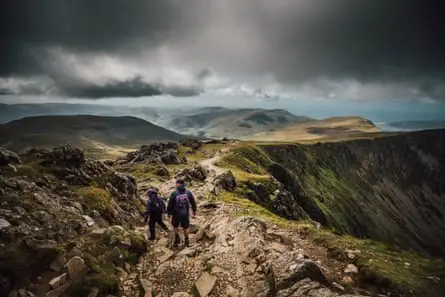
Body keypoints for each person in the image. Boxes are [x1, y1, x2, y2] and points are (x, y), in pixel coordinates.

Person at [167, 179, 197, 247]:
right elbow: (193, 203)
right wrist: (194, 211)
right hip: (185, 214)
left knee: (175, 226)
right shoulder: (188, 192)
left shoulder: (174, 193)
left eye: (176, 183)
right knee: (185, 228)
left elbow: (170, 204)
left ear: (178, 184)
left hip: (176, 214)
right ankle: (187, 240)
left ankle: (177, 238)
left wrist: (169, 213)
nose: (175, 185)